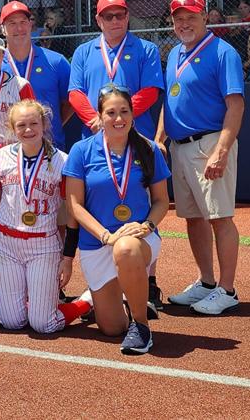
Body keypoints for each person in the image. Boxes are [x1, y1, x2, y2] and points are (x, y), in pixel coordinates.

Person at [156, 0, 245, 315]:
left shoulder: (223, 53)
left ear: (205, 17)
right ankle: (206, 282)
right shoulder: (176, 54)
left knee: (220, 217)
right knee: (193, 218)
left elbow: (235, 106)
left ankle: (227, 288)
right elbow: (170, 103)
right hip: (180, 147)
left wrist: (221, 151)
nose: (184, 23)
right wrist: (159, 140)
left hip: (209, 143)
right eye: (178, 19)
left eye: (191, 17)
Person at [64, 86, 170, 354]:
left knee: (125, 248)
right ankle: (118, 300)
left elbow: (160, 201)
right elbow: (75, 205)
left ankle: (141, 327)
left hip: (137, 240)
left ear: (133, 115)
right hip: (97, 243)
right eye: (111, 113)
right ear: (100, 117)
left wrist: (147, 226)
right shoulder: (81, 151)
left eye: (124, 111)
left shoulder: (148, 149)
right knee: (111, 328)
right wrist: (105, 236)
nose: (118, 118)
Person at [0, 99, 91, 333]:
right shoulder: (1, 156)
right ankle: (33, 301)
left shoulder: (62, 161)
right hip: (6, 244)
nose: (28, 130)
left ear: (44, 123)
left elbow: (72, 213)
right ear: (12, 128)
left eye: (34, 123)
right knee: (11, 322)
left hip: (43, 245)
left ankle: (86, 302)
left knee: (43, 324)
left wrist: (67, 258)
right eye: (21, 125)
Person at [68, 0, 163, 141]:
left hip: (137, 135)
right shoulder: (82, 51)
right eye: (108, 16)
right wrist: (98, 120)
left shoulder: (147, 49)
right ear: (99, 20)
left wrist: (116, 118)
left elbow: (150, 92)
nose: (115, 21)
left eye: (119, 15)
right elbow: (75, 93)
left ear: (127, 17)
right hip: (95, 135)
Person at [0, 0, 73, 150]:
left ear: (30, 24)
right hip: (9, 151)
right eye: (12, 23)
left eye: (23, 22)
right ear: (2, 29)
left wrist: (50, 124)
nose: (19, 28)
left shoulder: (56, 61)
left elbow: (70, 102)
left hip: (51, 147)